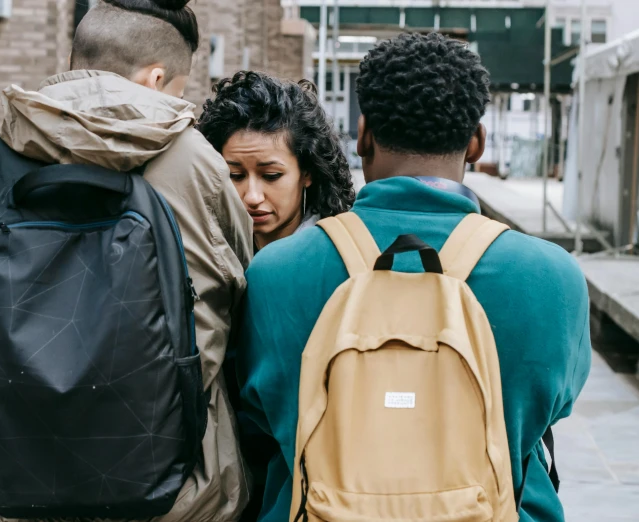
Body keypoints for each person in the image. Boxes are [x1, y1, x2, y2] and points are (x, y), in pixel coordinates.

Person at [237, 33, 591, 522]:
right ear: (476, 143)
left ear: (362, 135)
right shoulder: (554, 280)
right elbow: (548, 412)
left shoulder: (273, 274)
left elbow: (257, 417)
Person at [0, 0, 252, 520]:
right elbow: (236, 295)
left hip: (19, 479)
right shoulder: (196, 162)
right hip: (178, 487)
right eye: (178, 89)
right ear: (155, 77)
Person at [197, 71, 355, 251]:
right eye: (235, 175)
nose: (253, 197)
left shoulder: (338, 255)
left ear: (307, 172)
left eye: (271, 176)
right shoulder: (204, 252)